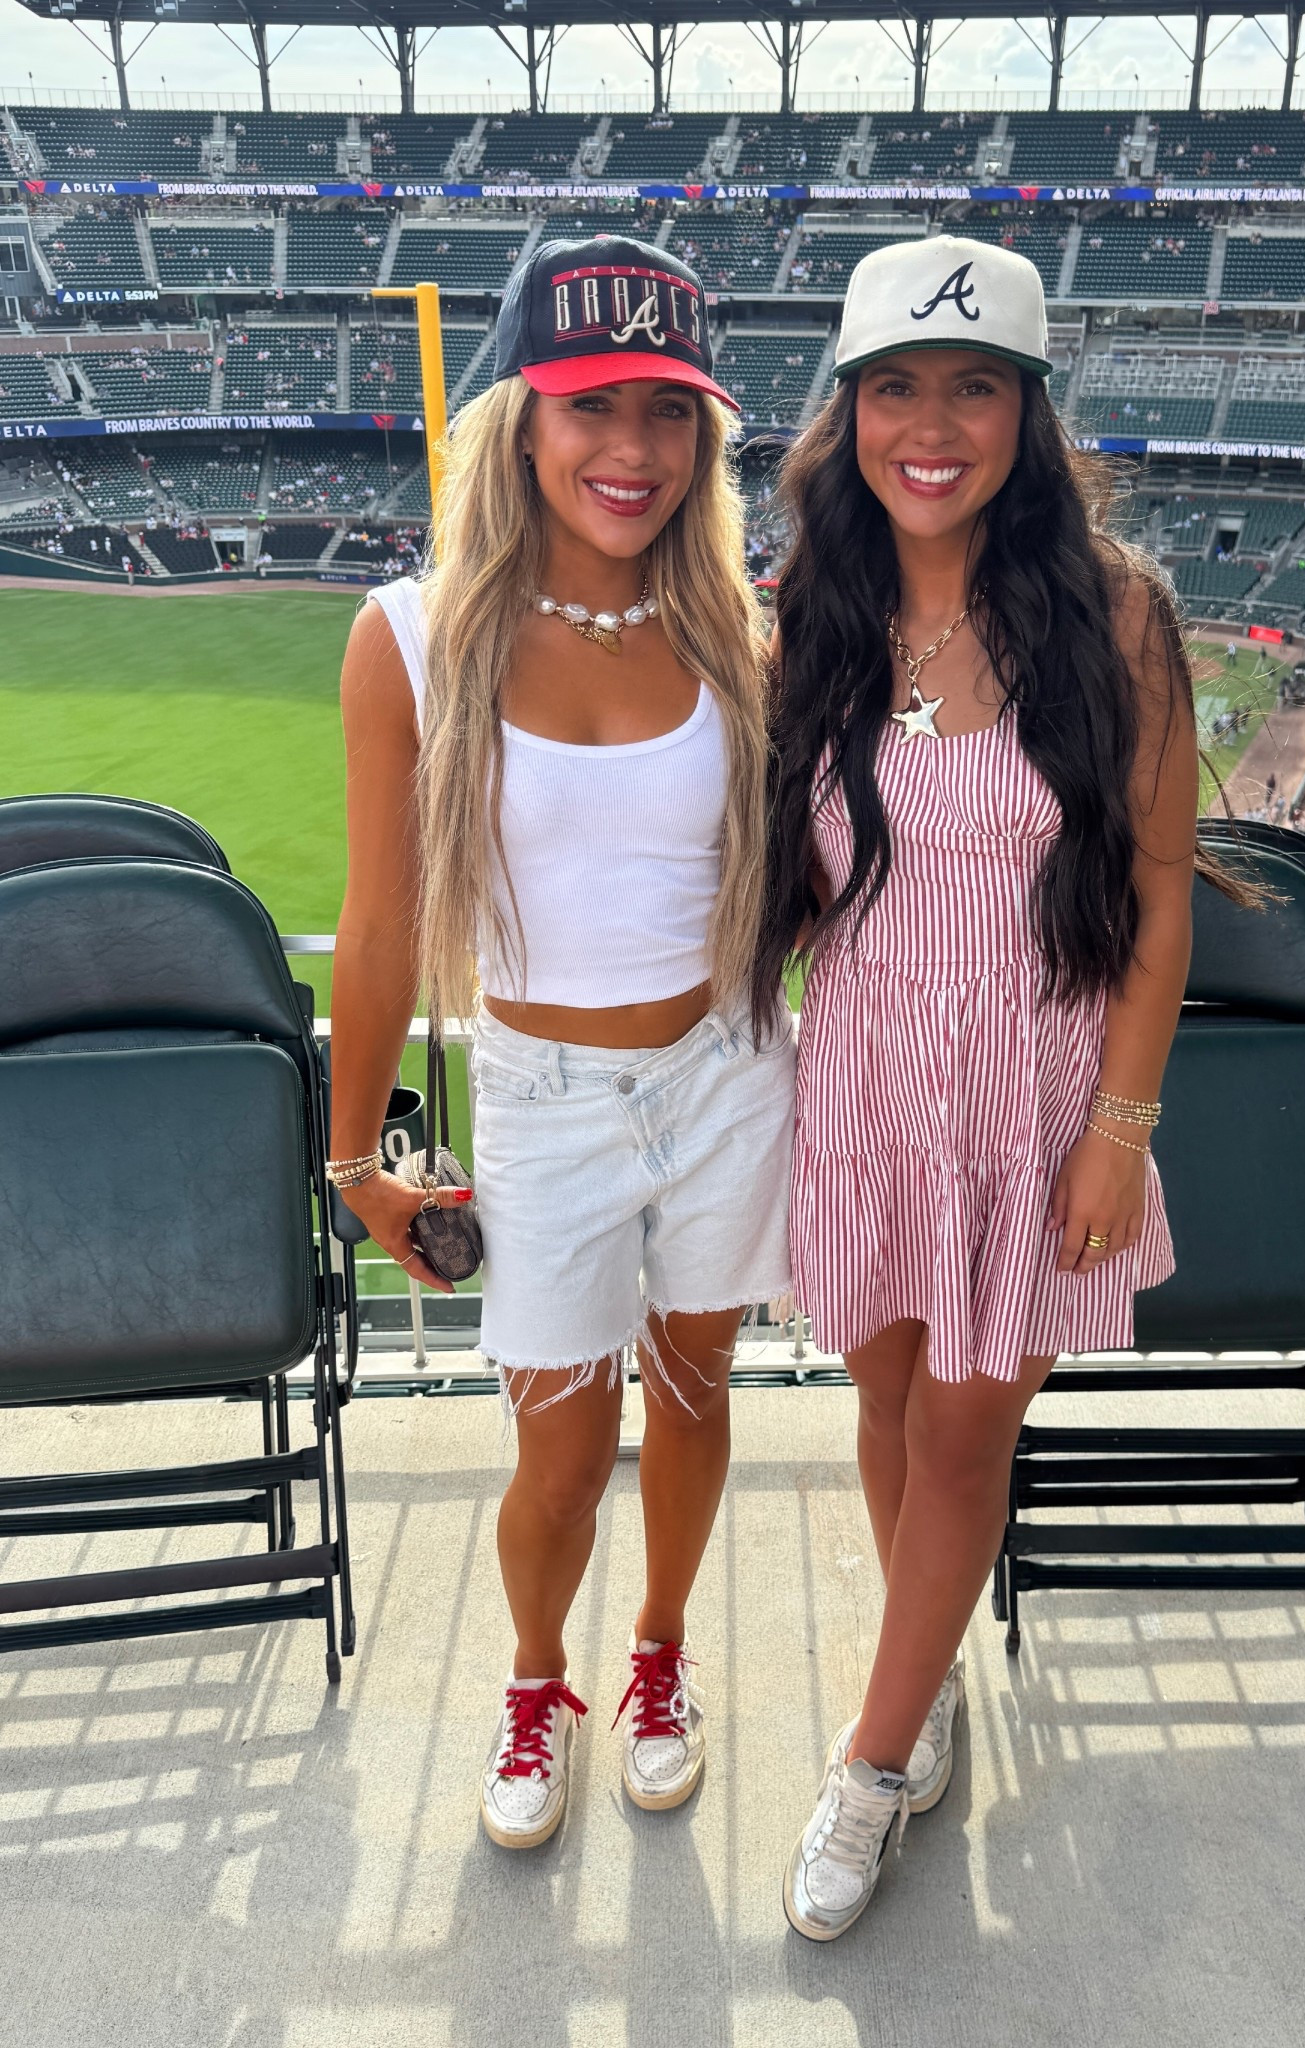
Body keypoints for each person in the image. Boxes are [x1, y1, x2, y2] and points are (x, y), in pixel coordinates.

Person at [754, 237, 1205, 1940]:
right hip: (862, 1071)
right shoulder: (820, 607)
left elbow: (1160, 900)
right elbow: (786, 874)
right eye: (896, 389)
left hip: (1035, 1087)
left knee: (960, 1431)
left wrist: (1120, 1123)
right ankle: (920, 1673)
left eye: (974, 387)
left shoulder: (1116, 610)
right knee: (882, 1409)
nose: (931, 425)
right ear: (851, 413)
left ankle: (872, 1766)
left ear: (1027, 410)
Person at [328, 238, 795, 1852]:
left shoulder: (745, 630)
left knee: (699, 1393)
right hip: (541, 1097)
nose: (634, 450)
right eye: (595, 405)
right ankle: (540, 1678)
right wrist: (352, 1161)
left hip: (731, 1075)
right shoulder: (410, 635)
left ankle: (660, 1661)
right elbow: (380, 930)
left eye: (671, 411)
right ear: (522, 419)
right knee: (558, 1440)